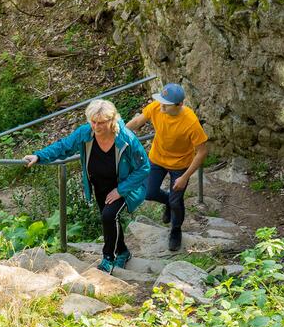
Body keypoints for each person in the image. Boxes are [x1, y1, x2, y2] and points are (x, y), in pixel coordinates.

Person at [23, 100, 150, 274]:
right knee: (110, 219)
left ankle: (108, 259)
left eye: (102, 122)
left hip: (123, 187)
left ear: (111, 120)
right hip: (99, 185)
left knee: (108, 215)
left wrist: (121, 190)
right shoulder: (86, 133)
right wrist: (39, 156)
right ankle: (123, 252)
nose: (96, 126)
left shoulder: (126, 138)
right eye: (93, 121)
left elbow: (144, 168)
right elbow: (64, 146)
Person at [126, 82, 208, 251]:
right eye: (161, 101)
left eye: (167, 104)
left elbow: (202, 152)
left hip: (180, 165)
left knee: (177, 202)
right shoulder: (158, 107)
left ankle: (176, 230)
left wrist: (184, 178)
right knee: (148, 193)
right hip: (156, 158)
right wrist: (119, 132)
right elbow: (137, 122)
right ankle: (168, 202)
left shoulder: (190, 122)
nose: (162, 105)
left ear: (179, 104)